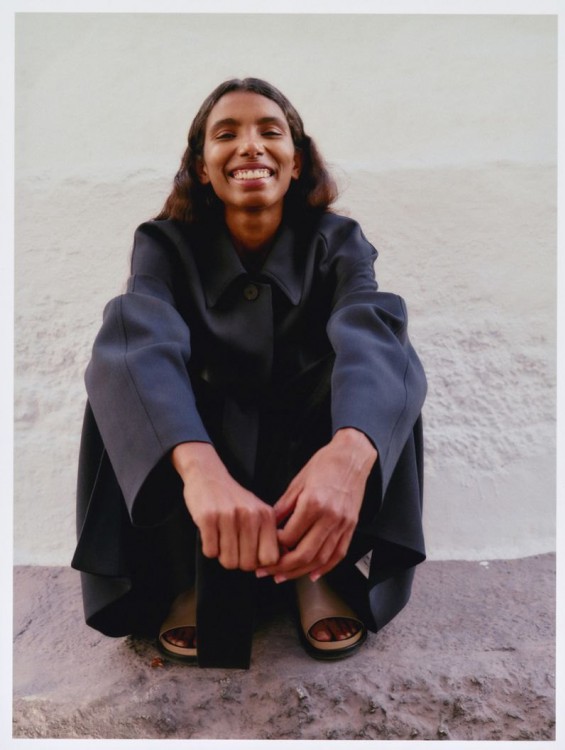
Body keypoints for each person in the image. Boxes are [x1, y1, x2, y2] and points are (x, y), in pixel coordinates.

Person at [71, 77, 427, 669]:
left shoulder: (339, 239)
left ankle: (315, 566)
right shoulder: (163, 242)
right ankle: (190, 573)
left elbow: (369, 328)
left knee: (384, 353)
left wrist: (351, 451)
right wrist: (198, 469)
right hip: (206, 455)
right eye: (226, 133)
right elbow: (144, 333)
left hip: (301, 441)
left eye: (270, 131)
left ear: (296, 161)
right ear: (202, 167)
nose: (250, 145)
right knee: (126, 359)